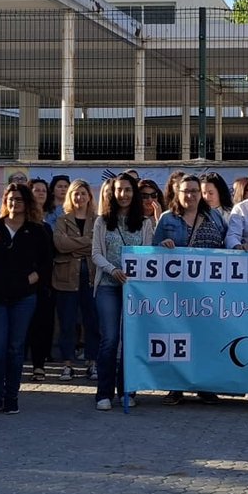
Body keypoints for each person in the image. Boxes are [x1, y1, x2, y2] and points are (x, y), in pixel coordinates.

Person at [0, 183, 52, 415]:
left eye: (18, 199)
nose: (14, 203)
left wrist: (31, 279)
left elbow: (47, 263)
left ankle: (11, 396)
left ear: (27, 202)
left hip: (24, 298)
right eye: (10, 198)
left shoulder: (37, 230)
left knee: (15, 348)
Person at [154, 173, 226, 405]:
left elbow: (225, 247)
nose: (191, 195)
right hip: (176, 292)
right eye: (186, 191)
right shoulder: (167, 219)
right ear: (178, 193)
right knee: (177, 339)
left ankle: (204, 386)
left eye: (195, 191)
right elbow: (151, 251)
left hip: (208, 292)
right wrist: (161, 246)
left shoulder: (214, 217)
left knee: (204, 339)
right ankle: (175, 387)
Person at [92, 172, 155, 411]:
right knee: (109, 340)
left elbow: (148, 253)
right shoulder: (102, 221)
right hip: (108, 286)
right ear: (113, 193)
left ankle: (127, 390)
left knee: (131, 342)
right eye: (119, 190)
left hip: (134, 290)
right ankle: (103, 393)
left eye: (128, 190)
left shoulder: (146, 223)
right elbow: (96, 253)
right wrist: (112, 269)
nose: (123, 194)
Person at [52, 179, 99, 383]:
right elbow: (60, 244)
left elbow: (97, 246)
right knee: (67, 323)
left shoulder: (98, 220)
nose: (79, 197)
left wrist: (75, 246)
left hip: (91, 278)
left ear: (89, 196)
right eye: (75, 194)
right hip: (66, 279)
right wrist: (85, 244)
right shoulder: (63, 220)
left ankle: (92, 362)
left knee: (92, 322)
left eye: (83, 193)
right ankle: (67, 365)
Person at [26, 177, 56, 381]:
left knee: (40, 325)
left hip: (40, 284)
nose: (40, 194)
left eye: (43, 190)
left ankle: (38, 365)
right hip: (16, 283)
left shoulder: (45, 227)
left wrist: (38, 275)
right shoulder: (10, 225)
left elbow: (49, 257)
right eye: (36, 190)